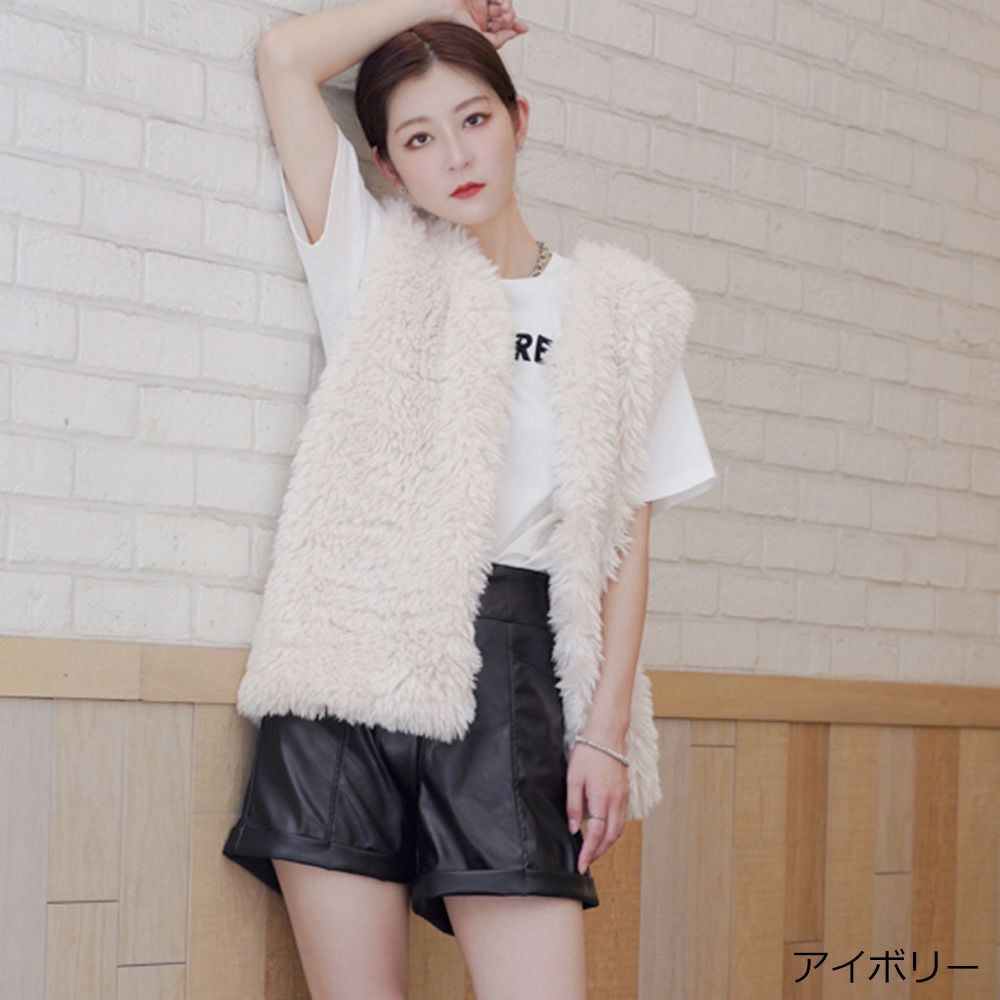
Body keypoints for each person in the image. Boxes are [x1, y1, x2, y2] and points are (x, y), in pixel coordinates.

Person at [222, 1, 716, 998]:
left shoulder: (622, 314)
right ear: (385, 163)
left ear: (519, 119)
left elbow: (626, 542)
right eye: (417, 137)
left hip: (516, 674)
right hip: (344, 674)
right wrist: (439, 4)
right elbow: (283, 57)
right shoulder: (368, 262)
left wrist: (604, 732)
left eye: (474, 118)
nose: (454, 154)